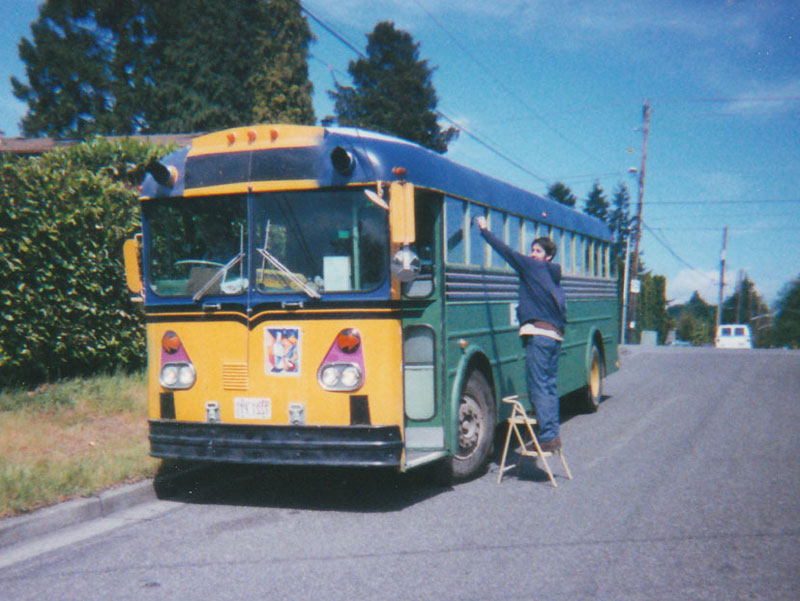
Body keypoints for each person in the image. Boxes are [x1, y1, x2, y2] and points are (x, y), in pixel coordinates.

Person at [474, 216, 567, 452]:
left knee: (537, 386)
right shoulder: (553, 277)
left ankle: (546, 438)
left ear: (547, 256)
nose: (533, 254)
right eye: (532, 250)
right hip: (555, 337)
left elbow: (506, 251)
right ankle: (552, 434)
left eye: (537, 251)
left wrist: (485, 230)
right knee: (550, 387)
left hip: (539, 335)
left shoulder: (532, 267)